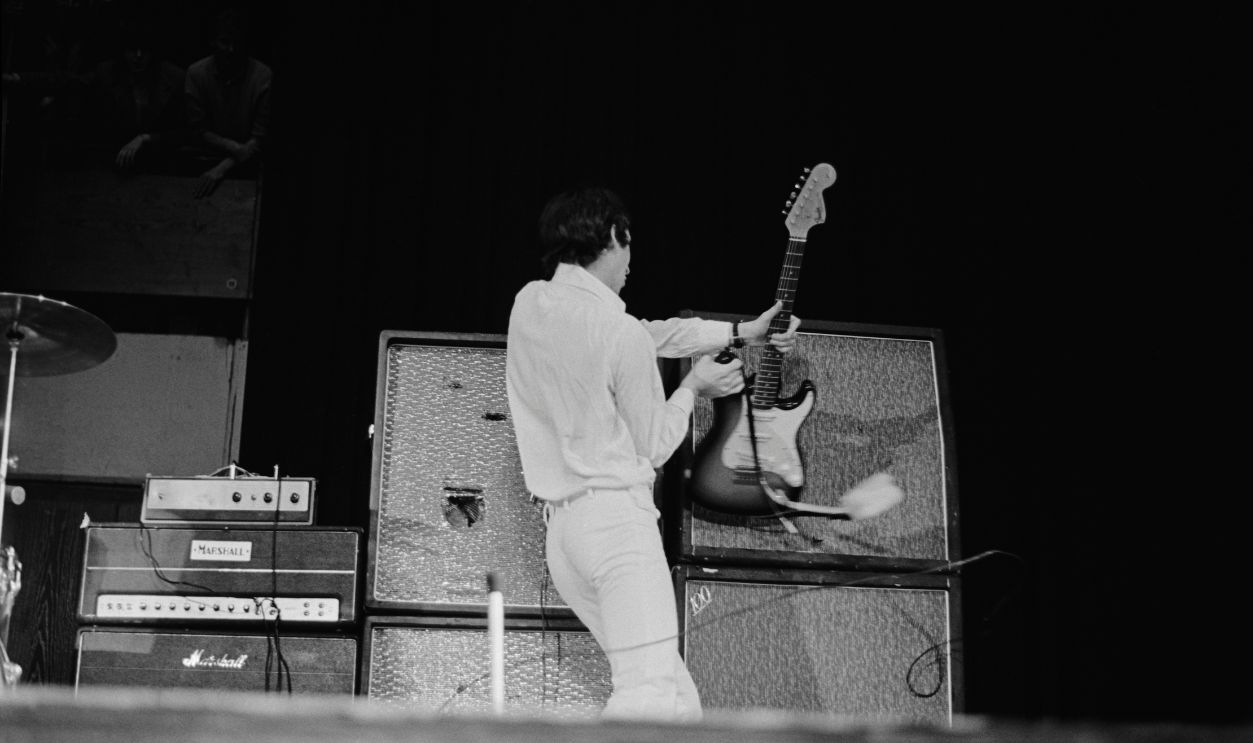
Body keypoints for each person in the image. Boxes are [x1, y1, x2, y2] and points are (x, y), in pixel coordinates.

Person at [505, 187, 800, 722]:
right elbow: (654, 446)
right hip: (617, 526)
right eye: (629, 244)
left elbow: (646, 335)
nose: (631, 262)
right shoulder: (617, 332)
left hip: (565, 537)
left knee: (679, 701)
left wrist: (740, 331)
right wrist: (694, 388)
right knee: (647, 694)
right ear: (615, 238)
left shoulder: (530, 303)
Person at [184, 9, 271, 197]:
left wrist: (222, 168)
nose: (231, 49)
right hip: (203, 158)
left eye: (237, 43)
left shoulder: (263, 76)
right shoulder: (196, 74)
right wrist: (236, 148)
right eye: (225, 42)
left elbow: (259, 139)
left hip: (247, 165)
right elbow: (198, 130)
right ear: (213, 42)